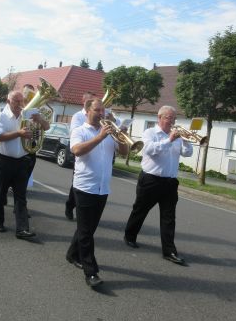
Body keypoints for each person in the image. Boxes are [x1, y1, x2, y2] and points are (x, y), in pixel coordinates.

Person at [66, 98, 128, 288]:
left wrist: (123, 136)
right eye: (97, 110)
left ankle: (71, 254)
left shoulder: (110, 132)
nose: (101, 114)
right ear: (87, 111)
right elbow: (76, 150)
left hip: (103, 188)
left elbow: (125, 153)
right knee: (86, 232)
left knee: (88, 228)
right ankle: (91, 272)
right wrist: (100, 137)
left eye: (103, 111)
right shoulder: (80, 131)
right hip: (84, 186)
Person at [123, 105, 193, 266]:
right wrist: (169, 140)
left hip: (170, 182)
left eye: (174, 118)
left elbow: (187, 153)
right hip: (150, 180)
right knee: (140, 210)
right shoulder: (150, 133)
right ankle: (130, 235)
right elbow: (150, 150)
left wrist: (187, 142)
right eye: (169, 117)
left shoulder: (177, 136)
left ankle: (169, 251)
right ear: (159, 118)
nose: (172, 121)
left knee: (169, 218)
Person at [0, 91, 49, 239]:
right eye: (16, 101)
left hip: (22, 161)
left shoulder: (26, 114)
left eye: (21, 101)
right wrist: (19, 133)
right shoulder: (0, 116)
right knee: (0, 194)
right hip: (3, 160)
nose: (19, 104)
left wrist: (40, 119)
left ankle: (22, 229)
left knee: (21, 197)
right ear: (8, 101)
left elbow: (46, 127)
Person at [64, 91, 96, 220]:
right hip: (81, 152)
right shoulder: (78, 116)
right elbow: (74, 133)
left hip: (97, 153)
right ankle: (70, 206)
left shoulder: (101, 115)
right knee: (76, 185)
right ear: (83, 101)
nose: (90, 103)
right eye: (89, 101)